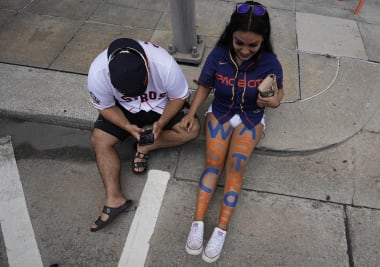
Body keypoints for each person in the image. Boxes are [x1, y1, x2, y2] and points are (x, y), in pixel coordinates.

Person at [181, 1, 284, 263]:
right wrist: (191, 114)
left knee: (235, 167)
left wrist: (272, 101)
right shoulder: (217, 55)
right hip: (221, 112)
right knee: (213, 163)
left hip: (251, 117)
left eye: (253, 45)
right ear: (231, 34)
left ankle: (221, 229)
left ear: (263, 40)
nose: (246, 50)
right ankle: (198, 222)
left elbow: (279, 93)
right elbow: (204, 85)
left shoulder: (270, 62)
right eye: (240, 43)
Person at [87, 38, 200, 232]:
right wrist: (127, 126)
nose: (138, 95)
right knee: (99, 140)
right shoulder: (97, 72)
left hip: (162, 105)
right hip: (124, 110)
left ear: (147, 67)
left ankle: (147, 145)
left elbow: (179, 97)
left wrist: (162, 122)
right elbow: (105, 107)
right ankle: (115, 200)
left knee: (192, 129)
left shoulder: (163, 63)